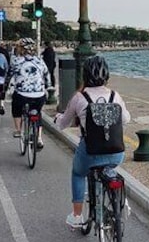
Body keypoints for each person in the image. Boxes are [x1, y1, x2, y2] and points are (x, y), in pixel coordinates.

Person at [54, 56, 131, 229]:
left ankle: (77, 215)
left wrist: (57, 118)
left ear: (85, 75)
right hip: (116, 153)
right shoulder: (114, 95)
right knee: (110, 169)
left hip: (90, 153)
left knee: (78, 174)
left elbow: (62, 124)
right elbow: (125, 119)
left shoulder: (79, 98)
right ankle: (120, 200)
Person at [6, 40, 50, 145]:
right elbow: (47, 76)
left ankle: (18, 130)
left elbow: (9, 76)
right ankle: (39, 138)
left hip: (22, 95)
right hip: (39, 95)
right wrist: (47, 87)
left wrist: (5, 87)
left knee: (16, 107)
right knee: (37, 113)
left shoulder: (16, 61)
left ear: (21, 49)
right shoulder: (39, 61)